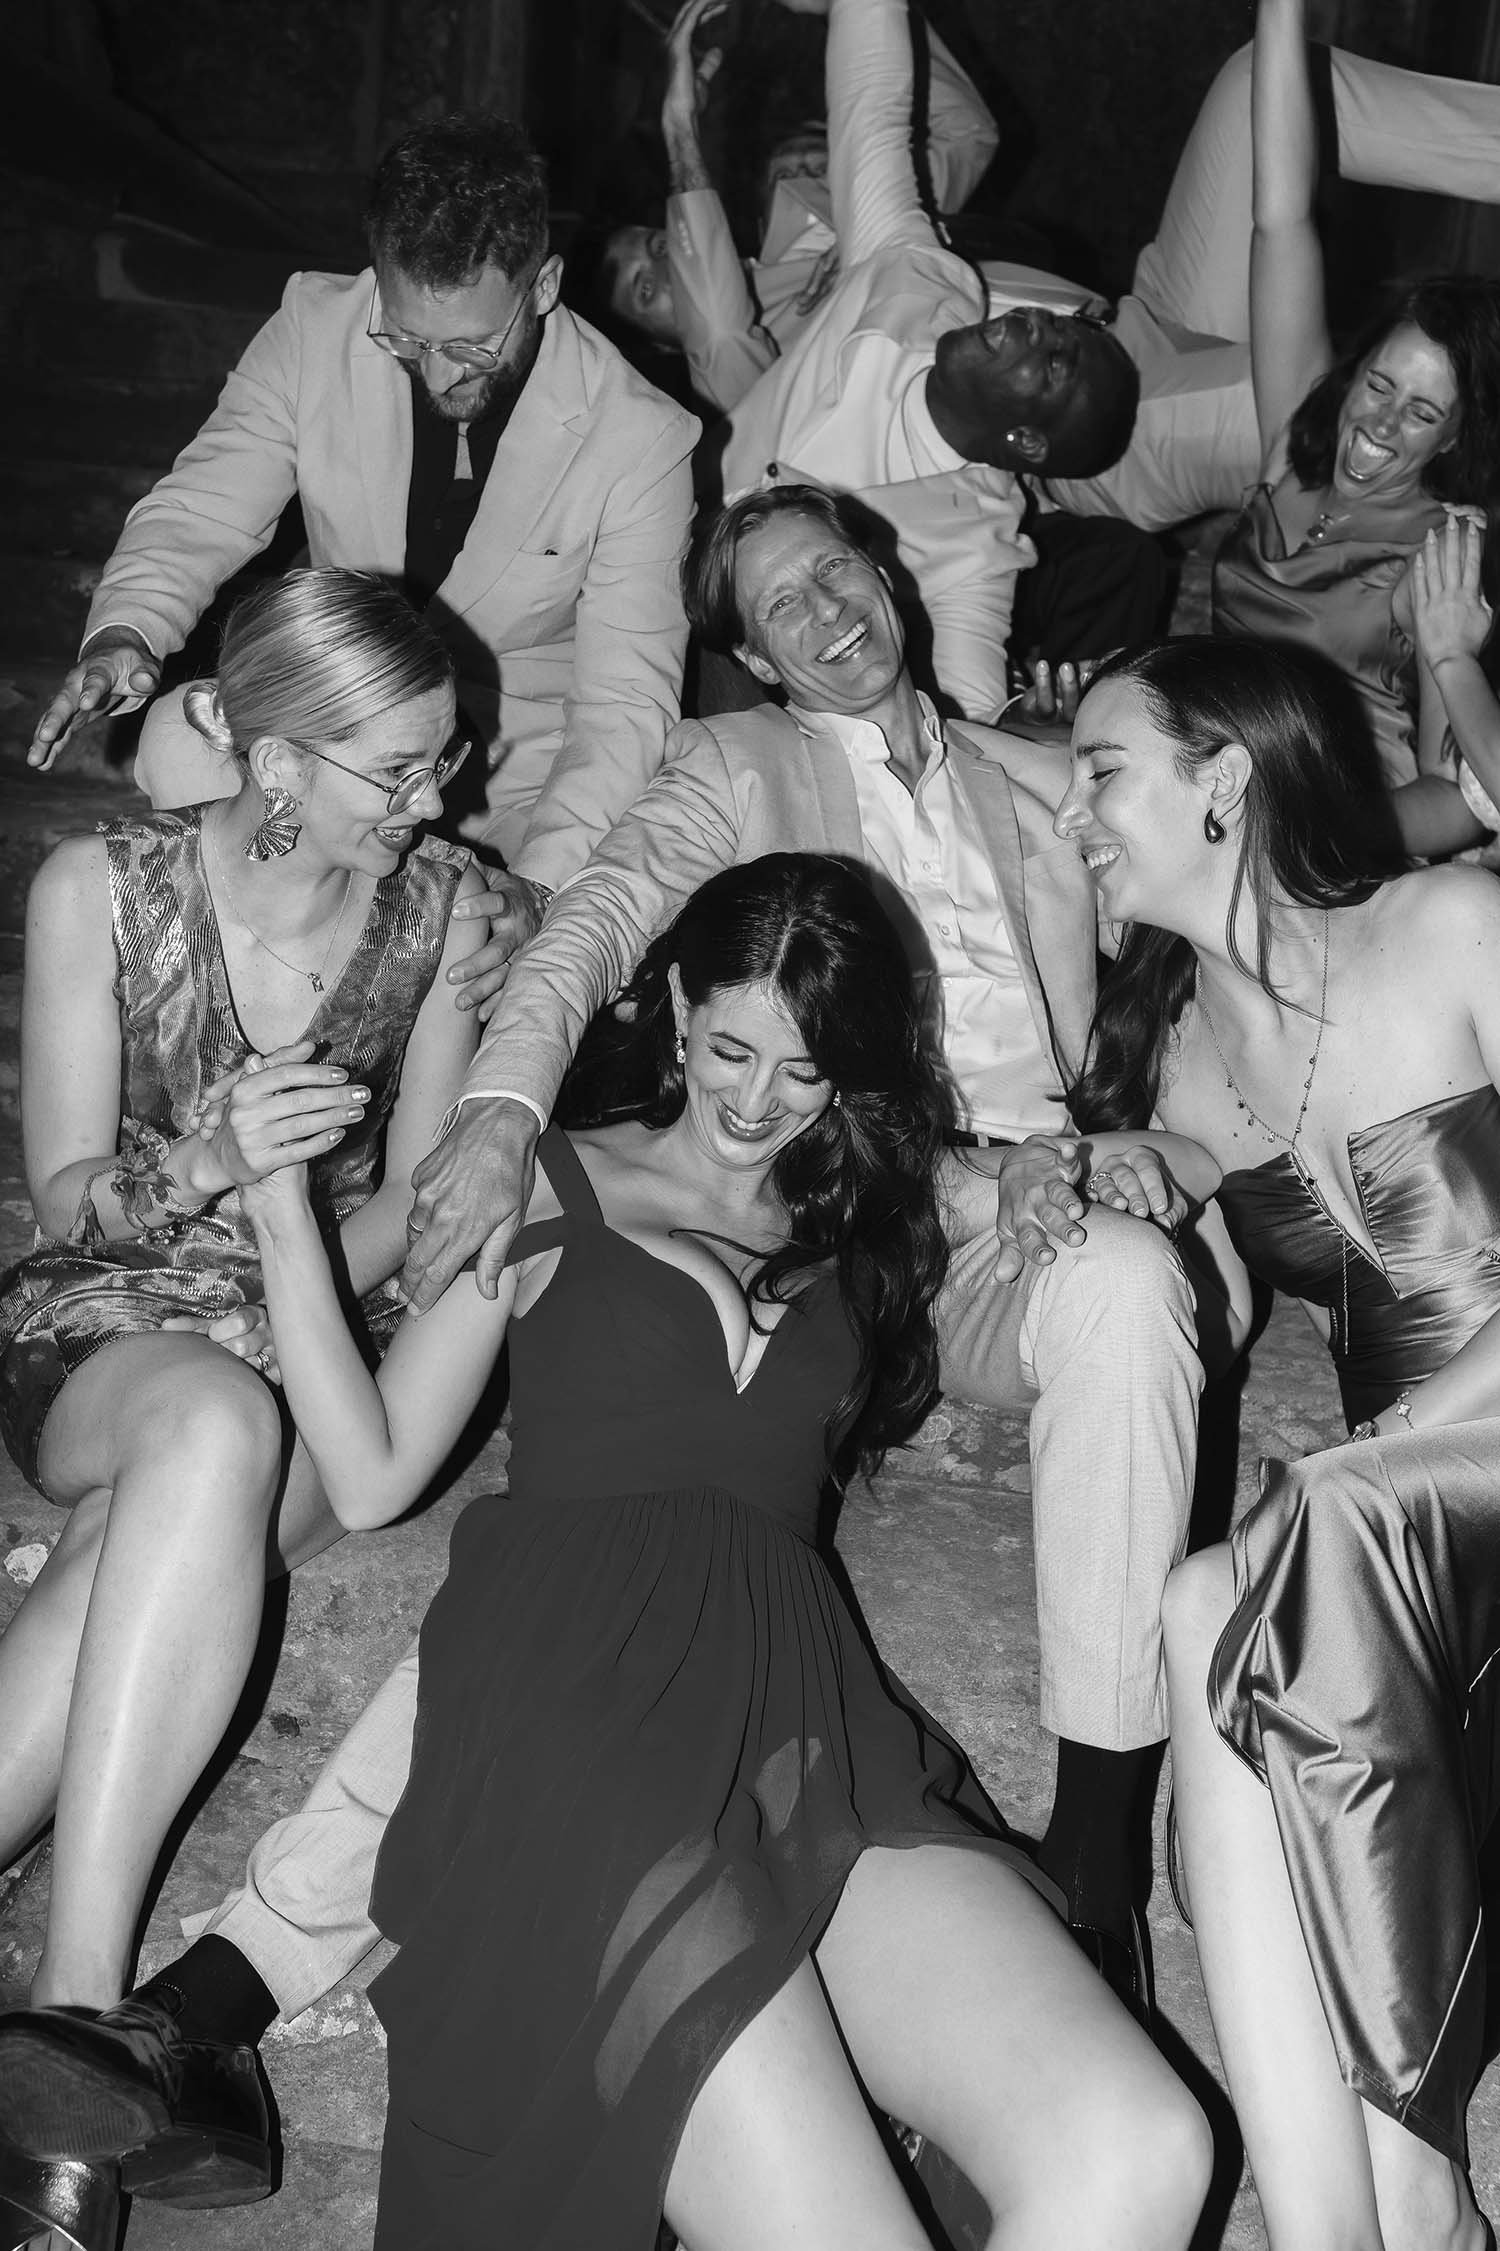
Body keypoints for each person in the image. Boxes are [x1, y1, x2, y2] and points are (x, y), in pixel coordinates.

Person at [64, 855, 1213, 2244]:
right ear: (674, 1005)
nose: (758, 1099)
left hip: (805, 1728)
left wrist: (1038, 1169)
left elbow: (1050, 1173)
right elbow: (371, 1469)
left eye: (803, 1070)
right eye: (731, 1048)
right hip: (580, 1733)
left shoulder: (865, 1197)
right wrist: (281, 1216)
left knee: (1144, 2147)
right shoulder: (552, 1173)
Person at [0, 569, 484, 2238]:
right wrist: (210, 1162)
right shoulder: (99, 887)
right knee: (202, 1426)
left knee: (154, 1527)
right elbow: (65, 1197)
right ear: (277, 760)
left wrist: (292, 1256)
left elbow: (411, 1203)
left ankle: (58, 2090)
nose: (438, 800)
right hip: (110, 1325)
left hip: (312, 1334)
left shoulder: (445, 916)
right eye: (401, 769)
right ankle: (79, 2013)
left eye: (445, 758)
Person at [1054, 633, 1500, 2251]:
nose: (1074, 816)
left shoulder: (1451, 924)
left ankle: (1414, 2199)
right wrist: (1123, 1182)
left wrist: (1383, 1460)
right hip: (1414, 1515)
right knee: (1202, 1603)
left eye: (1103, 773)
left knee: (1294, 1541)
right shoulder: (1188, 1052)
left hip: (1463, 1443)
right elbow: (1218, 1277)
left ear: (1225, 780)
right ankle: (1350, 2225)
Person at [26, 110, 700, 901]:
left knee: (557, 897)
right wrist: (126, 629)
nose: (440, 377)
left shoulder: (642, 438)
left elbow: (623, 710)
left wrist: (538, 889)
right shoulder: (314, 329)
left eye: (471, 348)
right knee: (179, 743)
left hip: (511, 783)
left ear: (544, 285)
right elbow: (202, 507)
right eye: (409, 341)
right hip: (331, 727)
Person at [708, 0, 1149, 725]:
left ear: (1025, 441)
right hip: (651, 515)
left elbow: (970, 705)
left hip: (732, 644)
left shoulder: (976, 543)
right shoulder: (918, 278)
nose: (1033, 324)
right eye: (1055, 325)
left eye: (1054, 362)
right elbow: (875, 110)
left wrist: (1023, 729)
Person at [1211, 0, 1500, 851]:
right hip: (1204, 791)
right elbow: (1280, 217)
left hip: (1329, 845)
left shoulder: (1439, 555)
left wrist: (1322, 831)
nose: (1380, 421)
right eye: (1379, 384)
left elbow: (1458, 798)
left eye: (1422, 412)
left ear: (1453, 439)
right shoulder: (1295, 445)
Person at [597, 0, 999, 414]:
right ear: (660, 346)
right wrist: (680, 127)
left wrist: (865, 21)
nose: (669, 269)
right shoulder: (736, 393)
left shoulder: (818, 233)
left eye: (662, 246)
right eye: (645, 290)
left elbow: (966, 136)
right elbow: (720, 333)